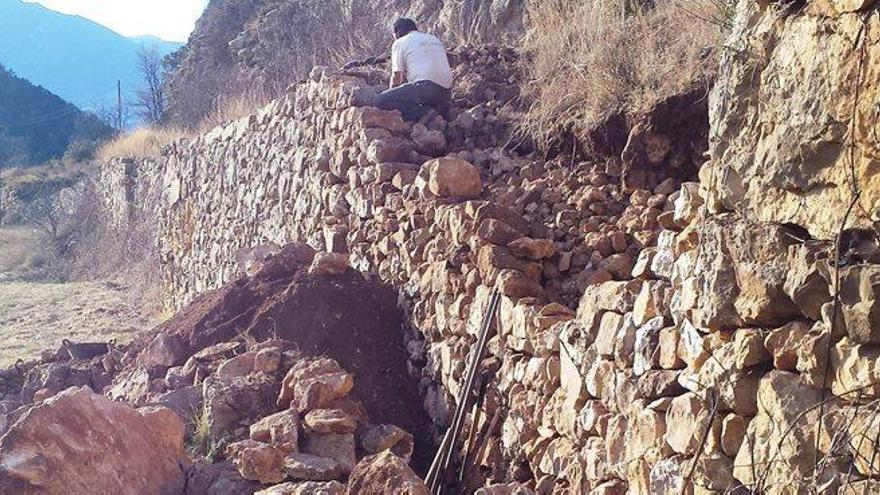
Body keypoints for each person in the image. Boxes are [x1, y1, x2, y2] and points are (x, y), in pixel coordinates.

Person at [374, 18, 453, 122]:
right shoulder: (433, 39)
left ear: (397, 32)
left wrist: (392, 93)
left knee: (380, 101)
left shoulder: (399, 42)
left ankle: (425, 113)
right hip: (446, 92)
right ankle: (439, 110)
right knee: (415, 93)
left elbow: (397, 77)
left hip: (426, 88)